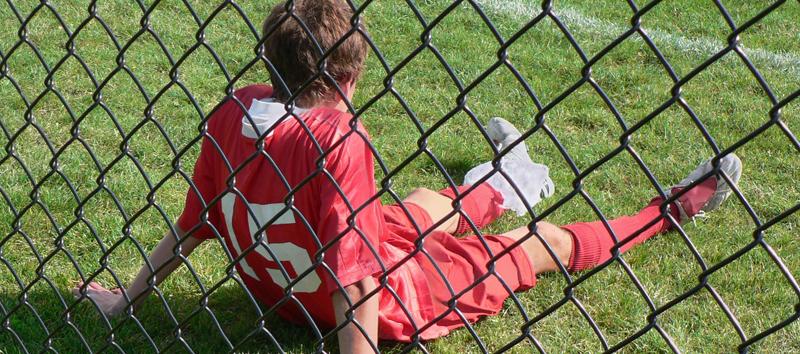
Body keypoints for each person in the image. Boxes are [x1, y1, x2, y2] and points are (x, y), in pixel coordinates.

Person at [72, 0, 743, 352]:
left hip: (280, 288)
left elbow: (191, 230)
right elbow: (360, 288)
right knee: (534, 247)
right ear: (351, 77)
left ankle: (511, 175)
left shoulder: (234, 111)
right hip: (389, 306)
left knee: (421, 205)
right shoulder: (339, 138)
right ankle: (674, 207)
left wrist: (124, 302)